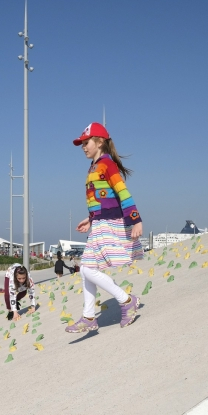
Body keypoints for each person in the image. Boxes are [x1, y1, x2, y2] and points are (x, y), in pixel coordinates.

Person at [65, 122, 143, 334]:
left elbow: (122, 193)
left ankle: (126, 300)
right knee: (86, 270)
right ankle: (89, 316)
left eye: (86, 142)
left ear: (99, 142)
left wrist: (136, 219)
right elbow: (102, 200)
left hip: (109, 225)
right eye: (81, 143)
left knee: (88, 269)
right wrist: (90, 219)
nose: (83, 146)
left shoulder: (107, 164)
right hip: (99, 223)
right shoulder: (94, 166)